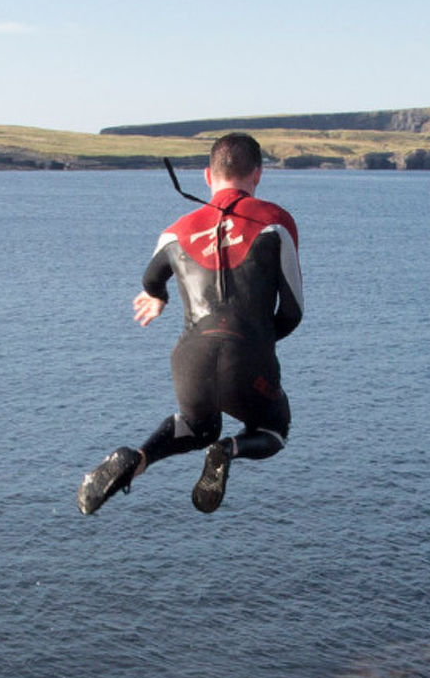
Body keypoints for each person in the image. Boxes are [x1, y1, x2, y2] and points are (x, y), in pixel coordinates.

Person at [77, 133, 303, 516]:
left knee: (198, 426)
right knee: (275, 430)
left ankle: (138, 457)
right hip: (249, 359)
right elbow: (293, 312)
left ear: (206, 176)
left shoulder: (174, 232)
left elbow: (150, 278)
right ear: (259, 175)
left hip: (190, 358)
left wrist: (158, 297)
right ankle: (228, 450)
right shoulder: (276, 224)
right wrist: (258, 341)